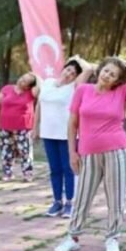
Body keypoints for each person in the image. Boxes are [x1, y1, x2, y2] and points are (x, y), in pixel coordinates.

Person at [54, 56, 126, 251]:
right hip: (87, 152)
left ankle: (112, 238)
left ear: (117, 80)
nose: (108, 75)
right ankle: (73, 237)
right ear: (100, 71)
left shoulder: (122, 92)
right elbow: (72, 124)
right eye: (106, 70)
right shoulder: (83, 90)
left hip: (117, 151)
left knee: (116, 196)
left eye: (113, 74)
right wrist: (72, 152)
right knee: (82, 196)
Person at [33, 56, 94, 217]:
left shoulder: (75, 87)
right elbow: (39, 105)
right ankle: (57, 201)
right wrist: (35, 127)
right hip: (48, 133)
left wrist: (78, 59)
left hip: (67, 134)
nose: (69, 74)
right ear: (62, 69)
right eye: (68, 69)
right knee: (54, 169)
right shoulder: (47, 83)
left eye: (73, 73)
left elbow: (88, 69)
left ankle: (70, 202)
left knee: (69, 169)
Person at [0, 72, 38, 181]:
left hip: (23, 126)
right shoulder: (7, 89)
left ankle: (28, 173)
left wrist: (36, 76)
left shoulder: (31, 93)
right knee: (6, 149)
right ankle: (7, 173)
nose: (21, 81)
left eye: (25, 81)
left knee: (25, 150)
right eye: (22, 78)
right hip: (5, 125)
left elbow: (39, 88)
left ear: (28, 86)